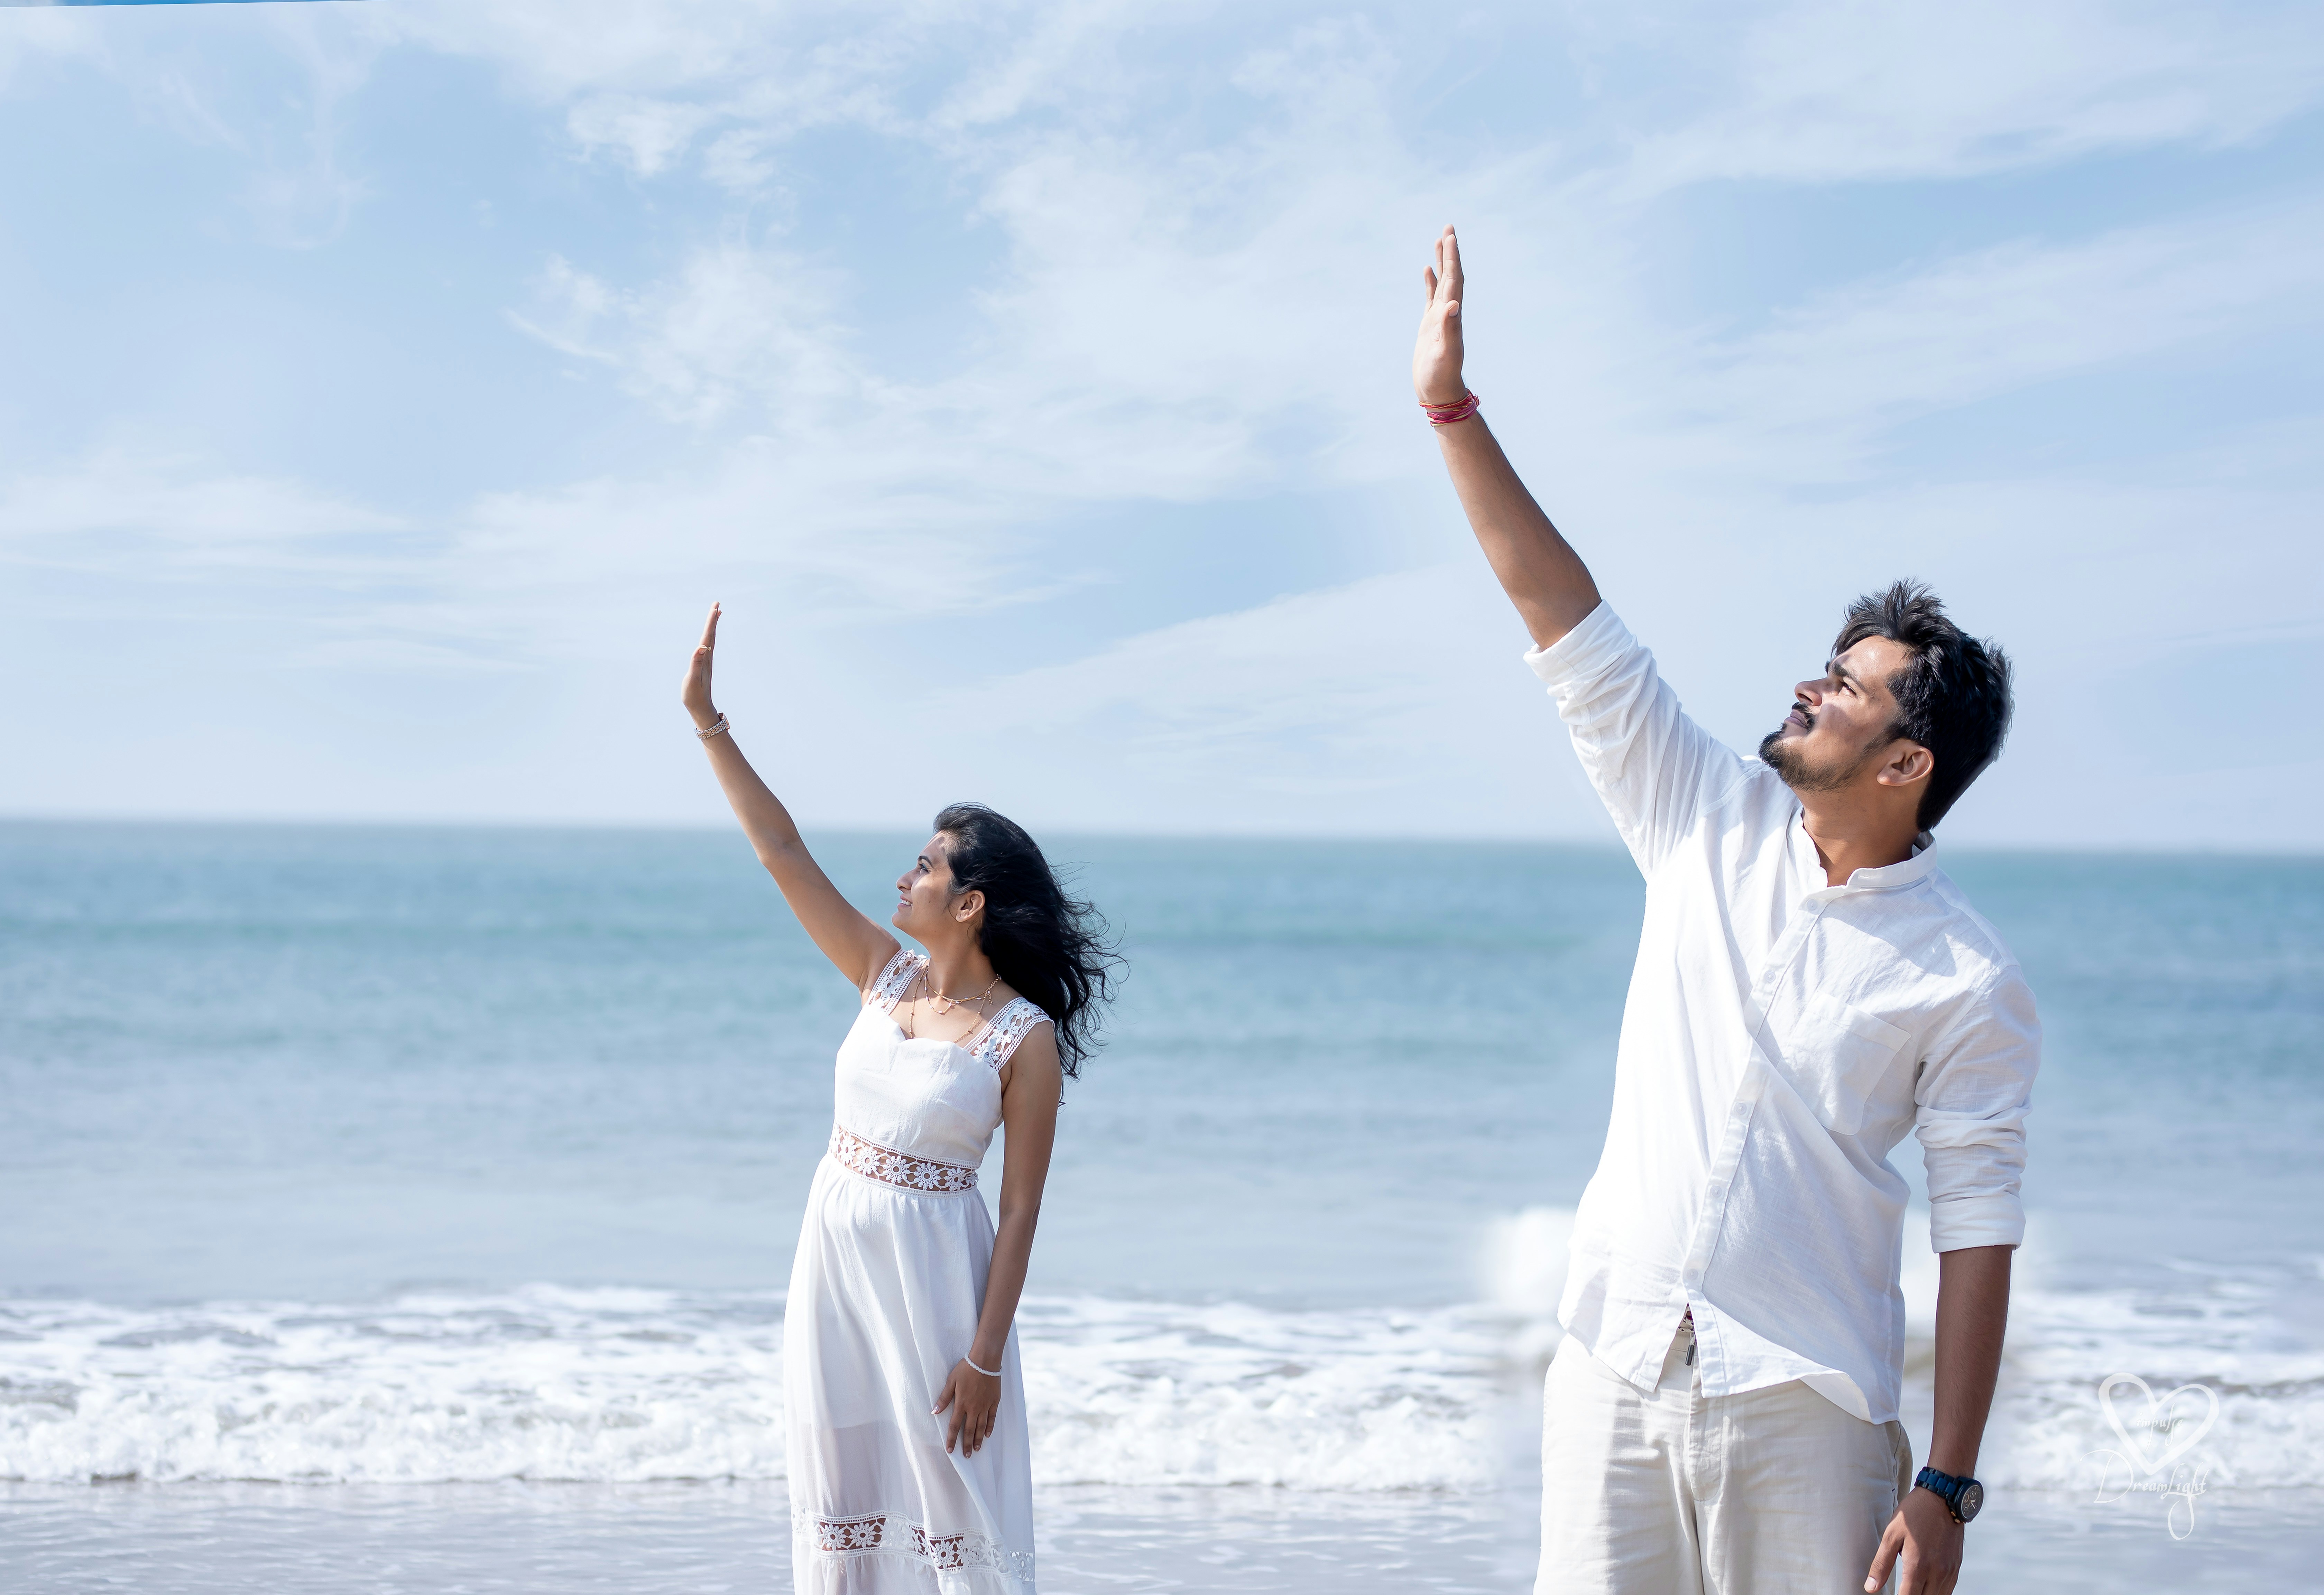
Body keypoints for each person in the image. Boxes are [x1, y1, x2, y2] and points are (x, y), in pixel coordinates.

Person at [1411, 229, 2037, 1595]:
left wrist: (1946, 1483)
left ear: (1907, 763)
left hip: (1805, 1407)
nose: (1810, 690)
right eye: (1824, 668)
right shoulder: (1700, 811)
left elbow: (1977, 1227)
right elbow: (1559, 610)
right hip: (1614, 1361)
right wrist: (1453, 411)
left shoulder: (1967, 976)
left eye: (1850, 690)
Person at [680, 603, 1116, 1594]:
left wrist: (986, 1358)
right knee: (842, 1493)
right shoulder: (884, 974)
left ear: (969, 903)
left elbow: (1019, 1209)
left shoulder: (1024, 1039)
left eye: (926, 866)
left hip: (935, 1282)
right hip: (834, 1260)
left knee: (946, 1502)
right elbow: (782, 853)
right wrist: (710, 723)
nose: (904, 876)